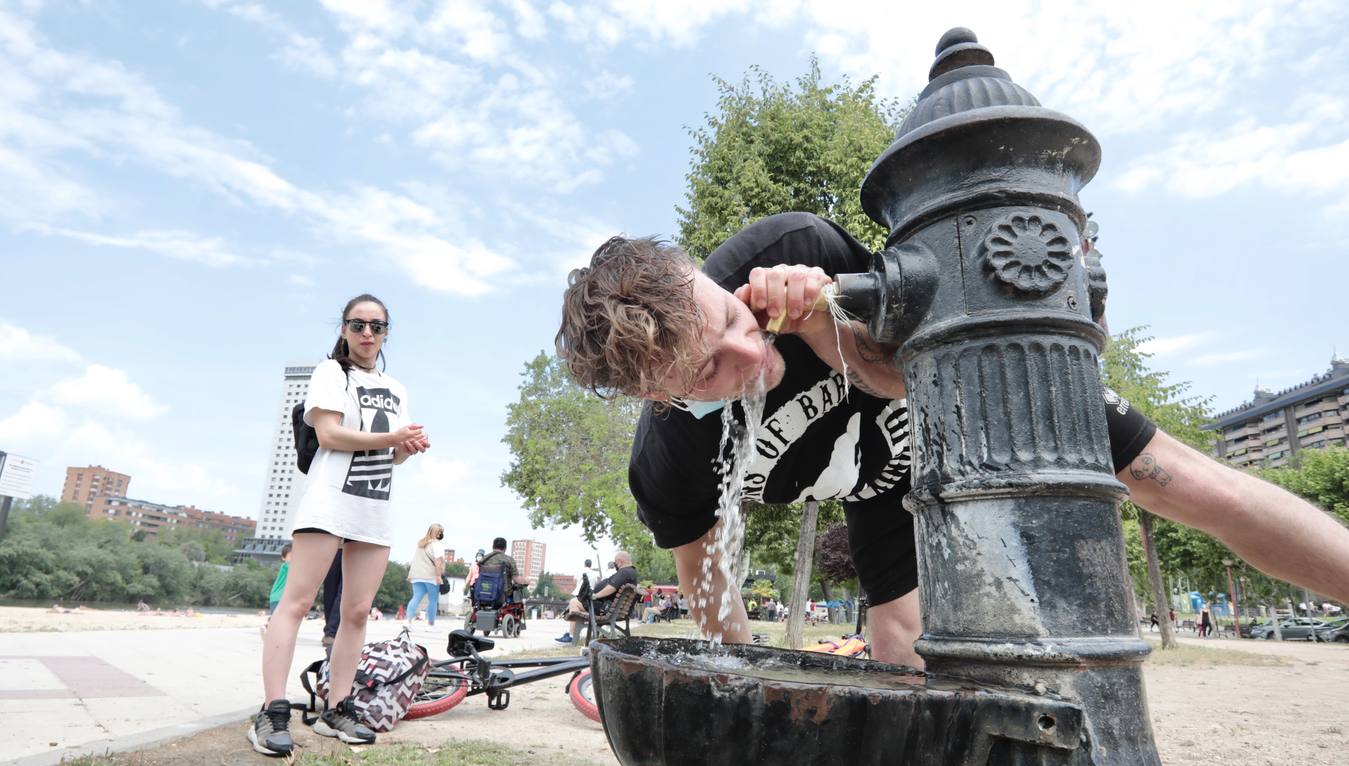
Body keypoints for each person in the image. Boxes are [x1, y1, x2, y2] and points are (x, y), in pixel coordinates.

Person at [557, 212, 1349, 668]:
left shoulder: (789, 252)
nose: (749, 359)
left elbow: (917, 371)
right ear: (655, 395)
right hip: (878, 487)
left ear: (703, 273)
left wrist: (824, 318)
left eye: (732, 323)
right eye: (706, 374)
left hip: (970, 384)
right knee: (898, 637)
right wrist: (748, 692)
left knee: (1181, 482)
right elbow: (713, 602)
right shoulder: (669, 467)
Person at [250, 293, 429, 757]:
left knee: (355, 613)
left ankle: (338, 708)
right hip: (330, 504)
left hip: (374, 508)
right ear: (344, 329)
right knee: (297, 603)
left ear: (387, 332)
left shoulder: (396, 387)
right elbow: (329, 434)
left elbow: (388, 455)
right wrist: (392, 437)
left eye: (377, 326)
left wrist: (405, 448)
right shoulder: (330, 373)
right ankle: (272, 711)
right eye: (358, 325)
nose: (368, 334)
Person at [405, 523, 446, 627]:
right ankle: (430, 625)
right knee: (433, 599)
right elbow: (438, 562)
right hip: (430, 575)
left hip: (416, 574)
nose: (442, 534)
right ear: (437, 533)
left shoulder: (421, 543)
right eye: (441, 532)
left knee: (416, 597)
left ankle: (407, 621)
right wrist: (438, 576)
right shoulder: (436, 544)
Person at [557, 558, 605, 644]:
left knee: (573, 605)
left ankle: (572, 635)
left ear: (584, 564)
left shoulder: (580, 571)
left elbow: (575, 581)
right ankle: (573, 634)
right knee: (575, 607)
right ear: (591, 565)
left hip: (581, 595)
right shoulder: (595, 574)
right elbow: (597, 583)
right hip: (591, 596)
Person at [472, 538, 524, 610]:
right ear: (505, 548)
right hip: (503, 595)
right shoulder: (509, 560)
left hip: (482, 593)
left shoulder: (483, 559)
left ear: (493, 547)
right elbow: (516, 579)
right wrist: (527, 581)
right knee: (517, 592)